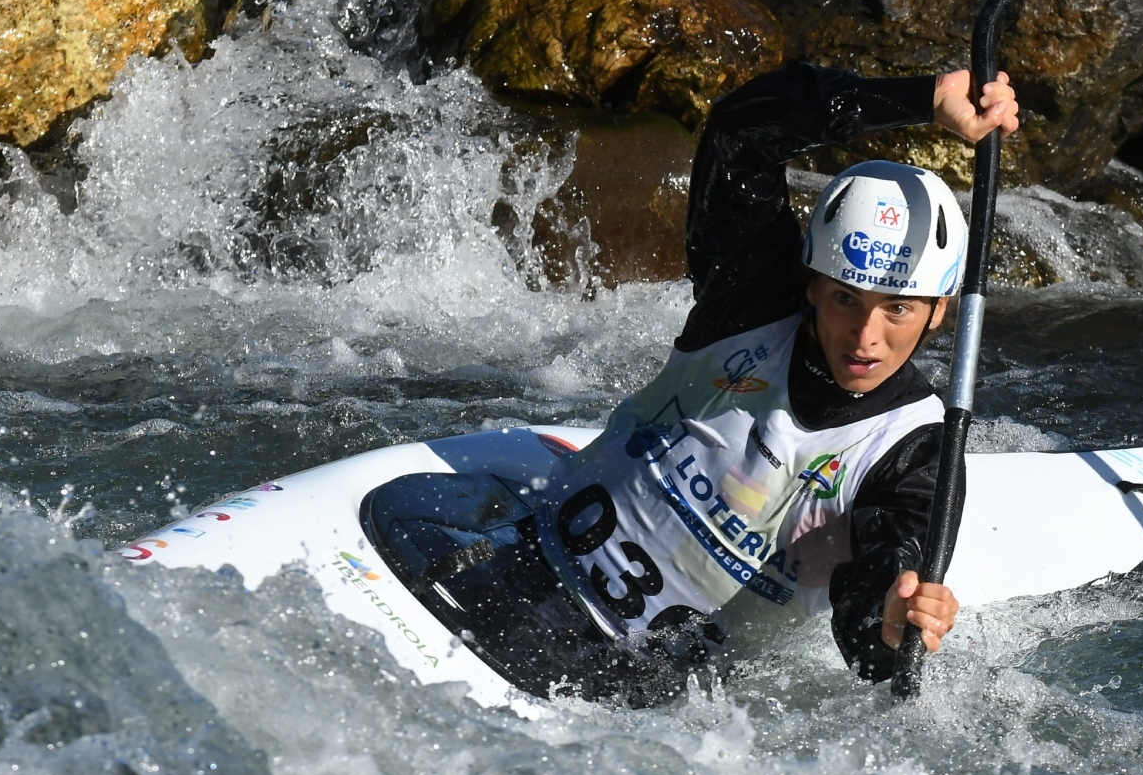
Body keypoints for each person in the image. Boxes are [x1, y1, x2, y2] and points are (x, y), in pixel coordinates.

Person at [378, 62, 1018, 704]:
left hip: (644, 689)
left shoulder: (916, 452)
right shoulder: (749, 302)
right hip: (525, 559)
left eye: (898, 309)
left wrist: (892, 619)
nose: (865, 336)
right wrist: (916, 94)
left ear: (939, 310)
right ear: (811, 286)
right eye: (845, 299)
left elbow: (868, 624)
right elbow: (742, 131)